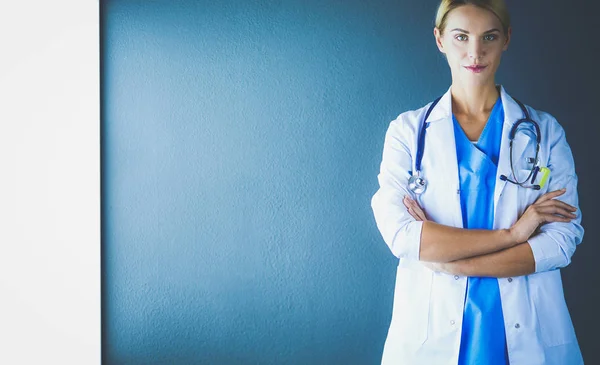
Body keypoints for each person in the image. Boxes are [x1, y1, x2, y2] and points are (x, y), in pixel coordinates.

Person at [370, 1, 584, 364]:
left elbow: (562, 241)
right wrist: (513, 236)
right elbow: (401, 235)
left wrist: (451, 262)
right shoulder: (408, 133)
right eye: (461, 37)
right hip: (432, 334)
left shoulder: (545, 132)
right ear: (440, 40)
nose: (475, 51)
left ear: (506, 39)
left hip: (523, 330)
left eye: (489, 36)